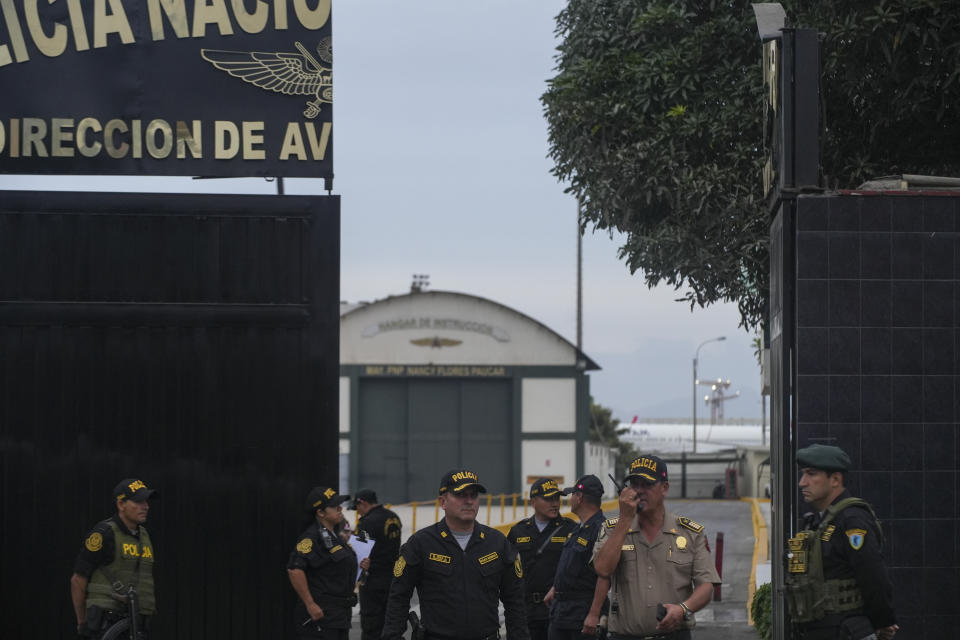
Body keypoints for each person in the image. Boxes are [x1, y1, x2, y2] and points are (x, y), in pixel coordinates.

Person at [381, 469, 529, 640]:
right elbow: (398, 597)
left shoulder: (497, 543)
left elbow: (515, 601)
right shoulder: (421, 543)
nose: (468, 501)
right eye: (460, 495)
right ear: (442, 502)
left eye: (473, 495)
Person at [593, 455, 720, 640]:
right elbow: (603, 569)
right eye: (634, 484)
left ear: (664, 488)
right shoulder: (613, 529)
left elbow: (706, 586)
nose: (639, 491)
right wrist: (625, 520)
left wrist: (682, 609)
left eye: (647, 484)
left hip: (674, 635)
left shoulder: (690, 533)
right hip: (625, 635)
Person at [787, 444, 898, 640]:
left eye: (811, 474)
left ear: (835, 479)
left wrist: (882, 622)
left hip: (846, 630)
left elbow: (873, 575)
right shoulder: (818, 521)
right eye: (803, 474)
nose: (802, 483)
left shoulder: (852, 520)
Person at [71, 478, 159, 639]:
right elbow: (78, 580)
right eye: (138, 501)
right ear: (121, 504)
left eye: (146, 501)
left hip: (138, 625)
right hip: (107, 623)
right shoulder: (104, 534)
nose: (145, 506)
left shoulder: (144, 535)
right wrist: (82, 623)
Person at [508, 478, 578, 640]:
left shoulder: (570, 529)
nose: (554, 503)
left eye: (557, 498)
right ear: (533, 501)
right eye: (548, 499)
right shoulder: (518, 531)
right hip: (526, 611)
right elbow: (507, 571)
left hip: (558, 610)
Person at [287, 486, 359, 640]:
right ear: (320, 512)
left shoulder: (334, 536)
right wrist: (310, 604)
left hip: (339, 616)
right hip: (322, 616)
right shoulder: (311, 538)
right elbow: (294, 570)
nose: (340, 509)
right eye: (335, 506)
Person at [543, 475, 608, 640]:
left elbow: (605, 576)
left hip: (582, 615)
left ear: (579, 498)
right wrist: (555, 588)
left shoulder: (601, 529)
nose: (570, 499)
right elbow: (570, 565)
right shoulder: (578, 528)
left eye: (572, 495)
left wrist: (594, 615)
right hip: (562, 612)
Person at [351, 488, 402, 640]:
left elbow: (358, 553)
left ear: (363, 503)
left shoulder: (367, 522)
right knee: (391, 624)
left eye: (357, 508)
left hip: (373, 581)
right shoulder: (393, 517)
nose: (358, 512)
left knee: (371, 627)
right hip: (392, 579)